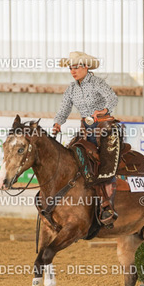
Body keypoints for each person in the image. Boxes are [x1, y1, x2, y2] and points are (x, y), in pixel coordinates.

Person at [52, 51, 121, 227]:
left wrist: (104, 111)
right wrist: (58, 123)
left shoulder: (97, 82)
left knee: (107, 162)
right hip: (86, 129)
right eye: (70, 68)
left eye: (76, 67)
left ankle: (108, 205)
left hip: (105, 128)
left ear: (85, 67)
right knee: (72, 155)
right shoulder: (71, 89)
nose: (73, 71)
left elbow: (112, 98)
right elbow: (64, 108)